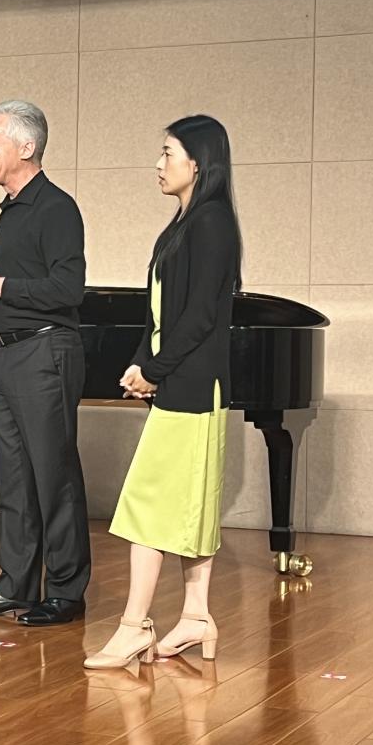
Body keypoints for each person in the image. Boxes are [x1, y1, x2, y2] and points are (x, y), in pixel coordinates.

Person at [83, 115, 242, 672]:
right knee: (185, 506)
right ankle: (195, 616)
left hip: (194, 388)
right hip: (180, 382)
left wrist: (155, 370)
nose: (158, 163)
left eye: (168, 153)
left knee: (147, 504)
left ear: (198, 162)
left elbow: (199, 318)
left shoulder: (212, 223)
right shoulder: (183, 224)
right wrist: (139, 361)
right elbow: (159, 313)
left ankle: (134, 627)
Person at [0, 100, 91, 627]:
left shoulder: (56, 208)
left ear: (26, 147)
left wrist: (2, 286)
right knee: (13, 479)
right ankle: (15, 585)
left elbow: (68, 288)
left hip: (45, 354)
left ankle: (66, 592)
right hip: (7, 357)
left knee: (54, 476)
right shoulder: (10, 210)